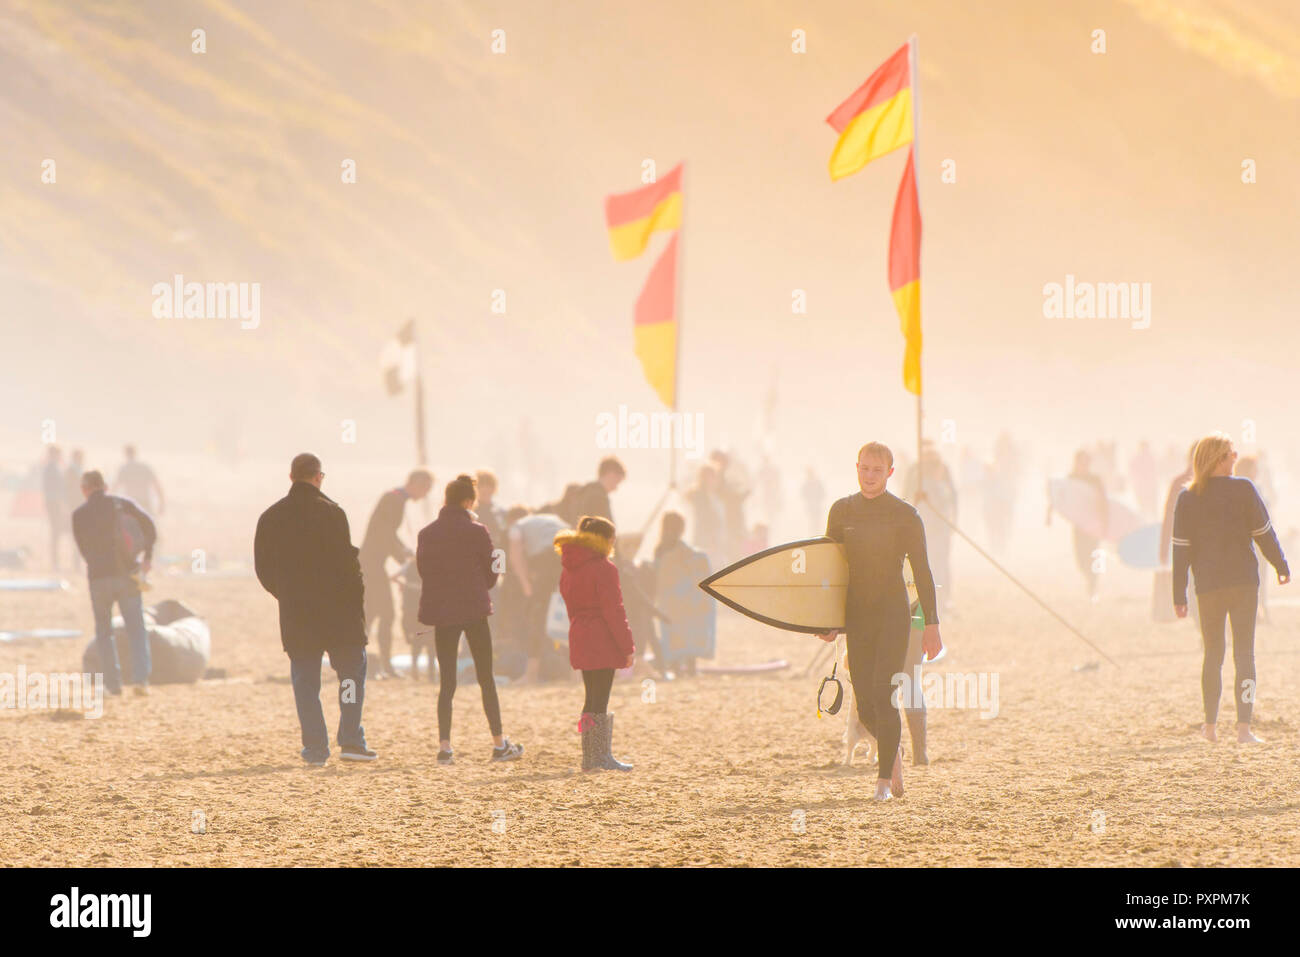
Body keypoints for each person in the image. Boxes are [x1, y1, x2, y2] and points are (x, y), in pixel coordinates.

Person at [817, 442, 942, 802]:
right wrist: (827, 620)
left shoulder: (905, 515)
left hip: (892, 613)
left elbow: (922, 570)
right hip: (857, 615)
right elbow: (830, 569)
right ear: (856, 468)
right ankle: (894, 753)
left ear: (890, 472)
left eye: (877, 470)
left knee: (884, 692)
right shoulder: (841, 511)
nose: (869, 477)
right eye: (864, 469)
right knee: (866, 702)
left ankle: (883, 781)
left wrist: (931, 624)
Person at [254, 453, 375, 766]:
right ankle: (350, 739)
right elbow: (349, 567)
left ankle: (316, 749)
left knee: (306, 683)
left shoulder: (271, 517)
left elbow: (263, 569)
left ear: (291, 476)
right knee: (350, 677)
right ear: (319, 477)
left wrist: (285, 594)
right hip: (340, 614)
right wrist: (357, 602)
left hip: (298, 614)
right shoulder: (333, 513)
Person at [1172, 433, 1289, 745]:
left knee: (1213, 654)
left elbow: (1180, 550)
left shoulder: (1188, 497)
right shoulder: (1244, 489)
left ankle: (1210, 728)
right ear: (1218, 460)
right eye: (1231, 454)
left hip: (1207, 586)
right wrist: (1281, 566)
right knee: (1244, 654)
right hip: (1243, 584)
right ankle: (1243, 729)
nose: (1236, 458)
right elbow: (1264, 533)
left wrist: (1178, 594)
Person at [417, 473, 523, 765]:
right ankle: (499, 744)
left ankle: (445, 748)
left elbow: (424, 571)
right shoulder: (478, 531)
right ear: (467, 502)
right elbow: (492, 574)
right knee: (486, 678)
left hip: (442, 612)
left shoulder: (426, 533)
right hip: (474, 609)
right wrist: (478, 584)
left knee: (447, 682)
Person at [556, 515, 635, 771]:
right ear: (605, 540)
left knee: (590, 698)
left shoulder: (569, 567)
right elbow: (614, 611)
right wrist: (627, 647)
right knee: (601, 700)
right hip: (602, 637)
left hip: (579, 633)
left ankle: (589, 756)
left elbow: (569, 605)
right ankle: (601, 757)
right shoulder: (604, 568)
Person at [71, 470, 156, 696]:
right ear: (105, 486)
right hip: (127, 574)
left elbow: (83, 551)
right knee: (136, 628)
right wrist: (147, 556)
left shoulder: (78, 515)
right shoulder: (121, 505)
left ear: (84, 489)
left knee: (104, 632)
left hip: (98, 579)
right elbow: (150, 526)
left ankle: (113, 684)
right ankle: (141, 680)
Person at [359, 469, 434, 678]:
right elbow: (383, 535)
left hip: (372, 564)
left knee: (372, 614)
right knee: (384, 614)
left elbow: (388, 535)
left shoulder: (395, 499)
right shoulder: (394, 500)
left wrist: (406, 554)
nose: (426, 494)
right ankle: (383, 665)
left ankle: (365, 661)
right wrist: (406, 559)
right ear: (416, 484)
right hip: (371, 565)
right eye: (426, 488)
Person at [507, 506, 572, 683]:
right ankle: (578, 673)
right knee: (574, 615)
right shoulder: (553, 519)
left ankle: (531, 673)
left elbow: (516, 555)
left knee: (539, 614)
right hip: (574, 554)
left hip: (549, 558)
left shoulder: (517, 526)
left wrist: (526, 585)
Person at [652, 511, 715, 676]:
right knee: (689, 631)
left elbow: (658, 575)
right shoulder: (683, 551)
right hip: (686, 600)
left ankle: (675, 668)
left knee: (672, 634)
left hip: (668, 600)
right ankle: (691, 668)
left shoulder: (660, 549)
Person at [904, 442, 957, 614]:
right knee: (930, 567)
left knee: (938, 566)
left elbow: (951, 497)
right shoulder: (917, 475)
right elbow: (907, 497)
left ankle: (941, 602)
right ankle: (933, 605)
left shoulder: (940, 476)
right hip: (927, 531)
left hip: (939, 530)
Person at [113, 444, 165, 517]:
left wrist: (112, 504)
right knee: (148, 525)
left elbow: (115, 488)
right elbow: (157, 485)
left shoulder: (124, 469)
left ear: (125, 454)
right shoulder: (145, 467)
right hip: (145, 502)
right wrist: (162, 503)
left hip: (130, 503)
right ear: (135, 453)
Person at [574, 457, 625, 525]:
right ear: (611, 475)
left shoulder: (585, 491)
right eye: (617, 482)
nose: (615, 489)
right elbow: (604, 531)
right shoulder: (599, 497)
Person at [42, 445, 67, 571]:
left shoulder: (53, 467)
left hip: (53, 502)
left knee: (56, 531)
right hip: (54, 503)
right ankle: (55, 562)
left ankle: (55, 561)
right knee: (56, 531)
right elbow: (54, 488)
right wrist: (60, 503)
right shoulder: (51, 468)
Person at [63, 449, 85, 572]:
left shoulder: (78, 470)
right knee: (76, 534)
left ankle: (77, 562)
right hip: (74, 505)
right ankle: (75, 563)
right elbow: (68, 489)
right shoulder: (72, 471)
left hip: (79, 504)